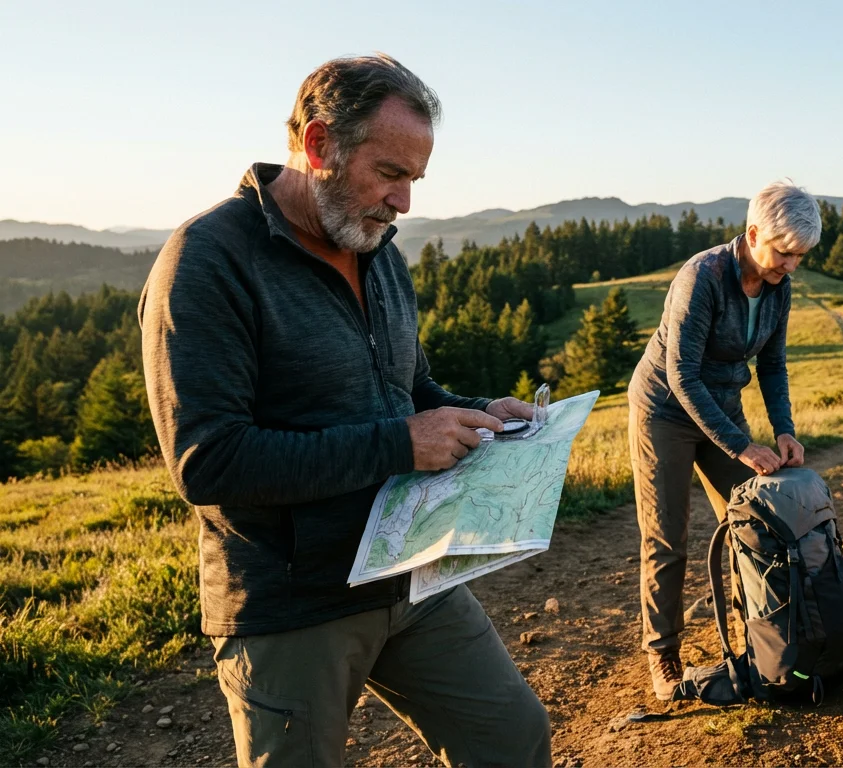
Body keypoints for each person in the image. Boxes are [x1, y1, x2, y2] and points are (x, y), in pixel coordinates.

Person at [140, 54, 550, 768]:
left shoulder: (378, 249)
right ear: (320, 143)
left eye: (414, 180)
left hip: (410, 570)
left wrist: (482, 413)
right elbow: (208, 463)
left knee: (512, 741)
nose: (404, 203)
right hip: (293, 604)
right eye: (390, 173)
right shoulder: (206, 261)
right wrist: (398, 445)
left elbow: (410, 390)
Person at [627, 181, 821, 699]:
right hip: (664, 410)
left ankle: (758, 639)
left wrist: (784, 431)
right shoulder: (703, 277)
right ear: (754, 233)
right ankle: (663, 655)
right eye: (784, 253)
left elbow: (773, 365)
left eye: (800, 256)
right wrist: (741, 446)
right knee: (667, 537)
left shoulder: (780, 287)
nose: (791, 266)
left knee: (749, 525)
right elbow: (682, 375)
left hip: (722, 408)